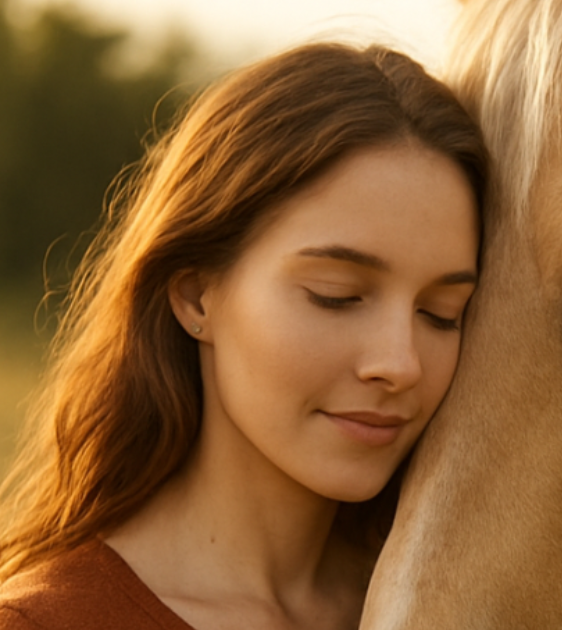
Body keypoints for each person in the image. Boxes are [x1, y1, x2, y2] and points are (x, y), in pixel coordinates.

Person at [0, 41, 487, 629]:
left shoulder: (465, 607)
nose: (400, 363)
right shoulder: (49, 622)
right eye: (337, 295)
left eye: (441, 313)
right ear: (195, 296)